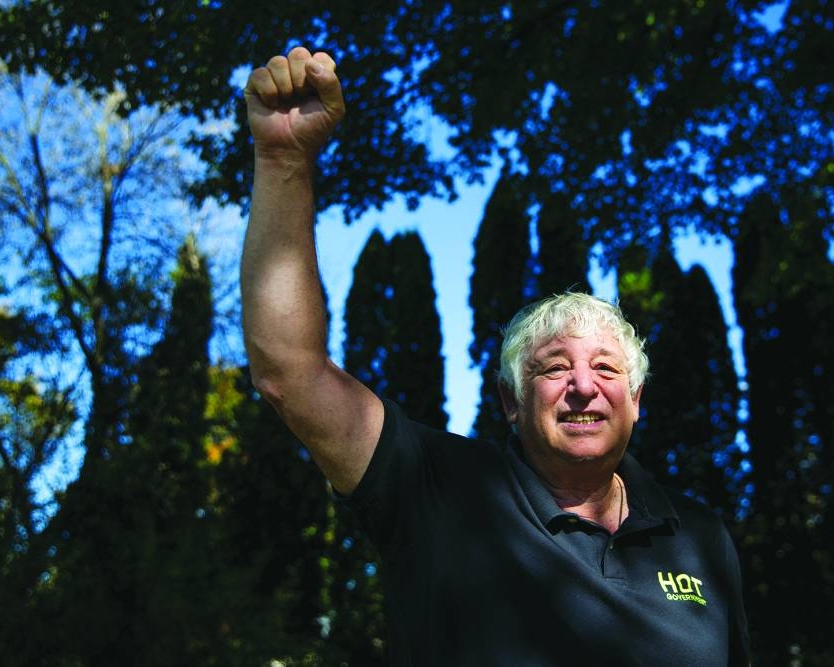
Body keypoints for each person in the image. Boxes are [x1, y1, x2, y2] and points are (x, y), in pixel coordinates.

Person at [242, 46, 750, 666]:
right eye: (555, 367)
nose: (584, 387)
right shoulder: (438, 491)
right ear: (510, 400)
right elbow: (288, 372)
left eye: (607, 368)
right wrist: (283, 159)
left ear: (636, 400)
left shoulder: (701, 538)